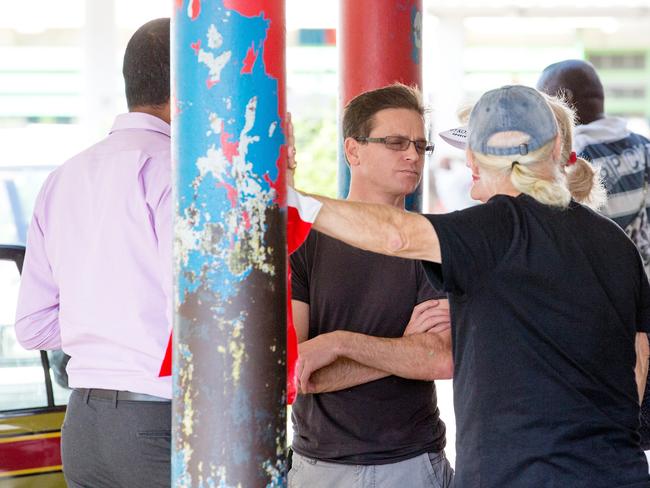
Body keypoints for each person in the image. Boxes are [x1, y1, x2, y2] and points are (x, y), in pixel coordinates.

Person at [294, 85, 650, 487]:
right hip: (618, 472)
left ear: (484, 161)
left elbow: (395, 235)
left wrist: (291, 198)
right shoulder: (614, 242)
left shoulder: (493, 230)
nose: (464, 164)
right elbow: (638, 360)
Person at [14, 18, 172, 488]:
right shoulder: (175, 172)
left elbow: (33, 326)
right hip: (157, 422)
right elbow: (197, 309)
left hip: (83, 428)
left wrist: (102, 317)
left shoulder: (64, 176)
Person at [289, 83, 454, 487]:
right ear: (353, 151)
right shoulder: (305, 239)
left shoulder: (433, 240)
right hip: (319, 467)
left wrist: (338, 343)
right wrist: (400, 349)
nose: (413, 155)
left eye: (420, 145)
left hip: (413, 463)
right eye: (396, 142)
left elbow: (438, 359)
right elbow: (300, 371)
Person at [538, 59, 650, 464]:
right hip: (641, 314)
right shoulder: (642, 147)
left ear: (560, 107)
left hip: (590, 320)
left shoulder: (570, 157)